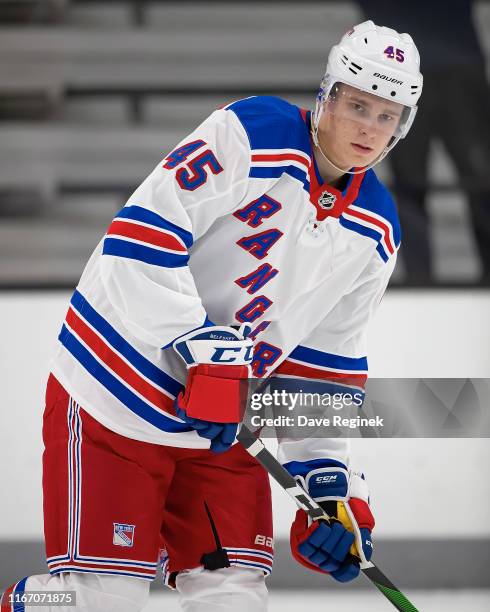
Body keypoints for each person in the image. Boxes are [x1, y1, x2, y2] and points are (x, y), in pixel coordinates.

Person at [1, 21, 422, 612]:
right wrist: (204, 353)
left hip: (221, 431)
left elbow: (327, 361)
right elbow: (140, 236)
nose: (367, 128)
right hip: (113, 401)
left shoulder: (376, 227)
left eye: (387, 115)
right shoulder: (253, 132)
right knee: (98, 602)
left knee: (234, 598)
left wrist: (329, 483)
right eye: (357, 105)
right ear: (327, 96)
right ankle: (28, 604)